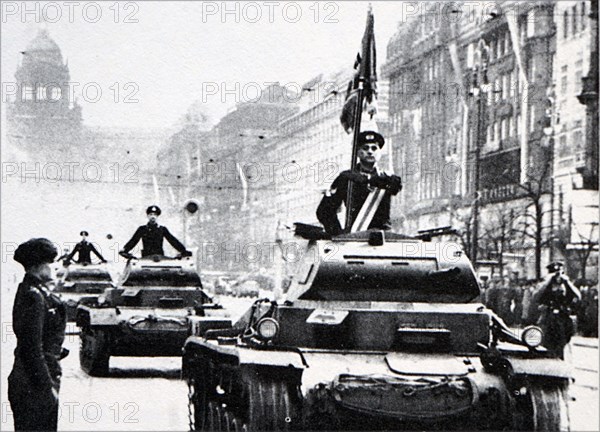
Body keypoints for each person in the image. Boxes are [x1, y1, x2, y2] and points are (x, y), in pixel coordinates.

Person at [9, 238, 68, 431]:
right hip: (33, 384)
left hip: (36, 381)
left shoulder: (37, 292)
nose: (54, 268)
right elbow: (31, 348)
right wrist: (46, 388)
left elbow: (41, 336)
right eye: (50, 263)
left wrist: (56, 349)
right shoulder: (33, 296)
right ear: (36, 266)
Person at [316, 131, 402, 235]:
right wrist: (338, 234)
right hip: (356, 236)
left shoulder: (388, 178)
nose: (370, 151)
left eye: (374, 148)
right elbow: (324, 211)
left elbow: (395, 186)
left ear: (379, 152)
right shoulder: (346, 178)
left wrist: (368, 180)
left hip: (383, 237)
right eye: (365, 148)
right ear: (357, 152)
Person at [535, 261, 581, 358]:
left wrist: (567, 282)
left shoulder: (566, 284)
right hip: (548, 316)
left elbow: (578, 296)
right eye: (555, 274)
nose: (558, 277)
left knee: (563, 342)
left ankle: (561, 358)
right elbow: (536, 297)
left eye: (560, 273)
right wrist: (548, 281)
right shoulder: (544, 285)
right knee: (546, 341)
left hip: (563, 316)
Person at [120, 205, 192, 258]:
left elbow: (172, 240)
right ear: (147, 216)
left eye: (155, 214)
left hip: (160, 257)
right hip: (146, 258)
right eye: (151, 214)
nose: (153, 216)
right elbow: (133, 241)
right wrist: (125, 250)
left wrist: (183, 250)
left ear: (157, 216)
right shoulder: (142, 229)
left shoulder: (162, 229)